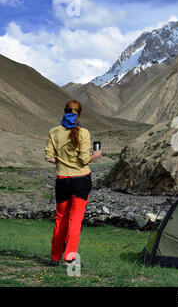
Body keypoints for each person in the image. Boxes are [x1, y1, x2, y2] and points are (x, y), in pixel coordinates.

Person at [45, 100, 102, 266]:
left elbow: (49, 157)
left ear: (64, 111)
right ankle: (69, 258)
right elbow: (84, 160)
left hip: (62, 180)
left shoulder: (53, 132)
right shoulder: (84, 132)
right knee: (75, 219)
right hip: (81, 181)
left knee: (60, 218)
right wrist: (96, 156)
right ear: (79, 113)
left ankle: (55, 257)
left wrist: (62, 160)